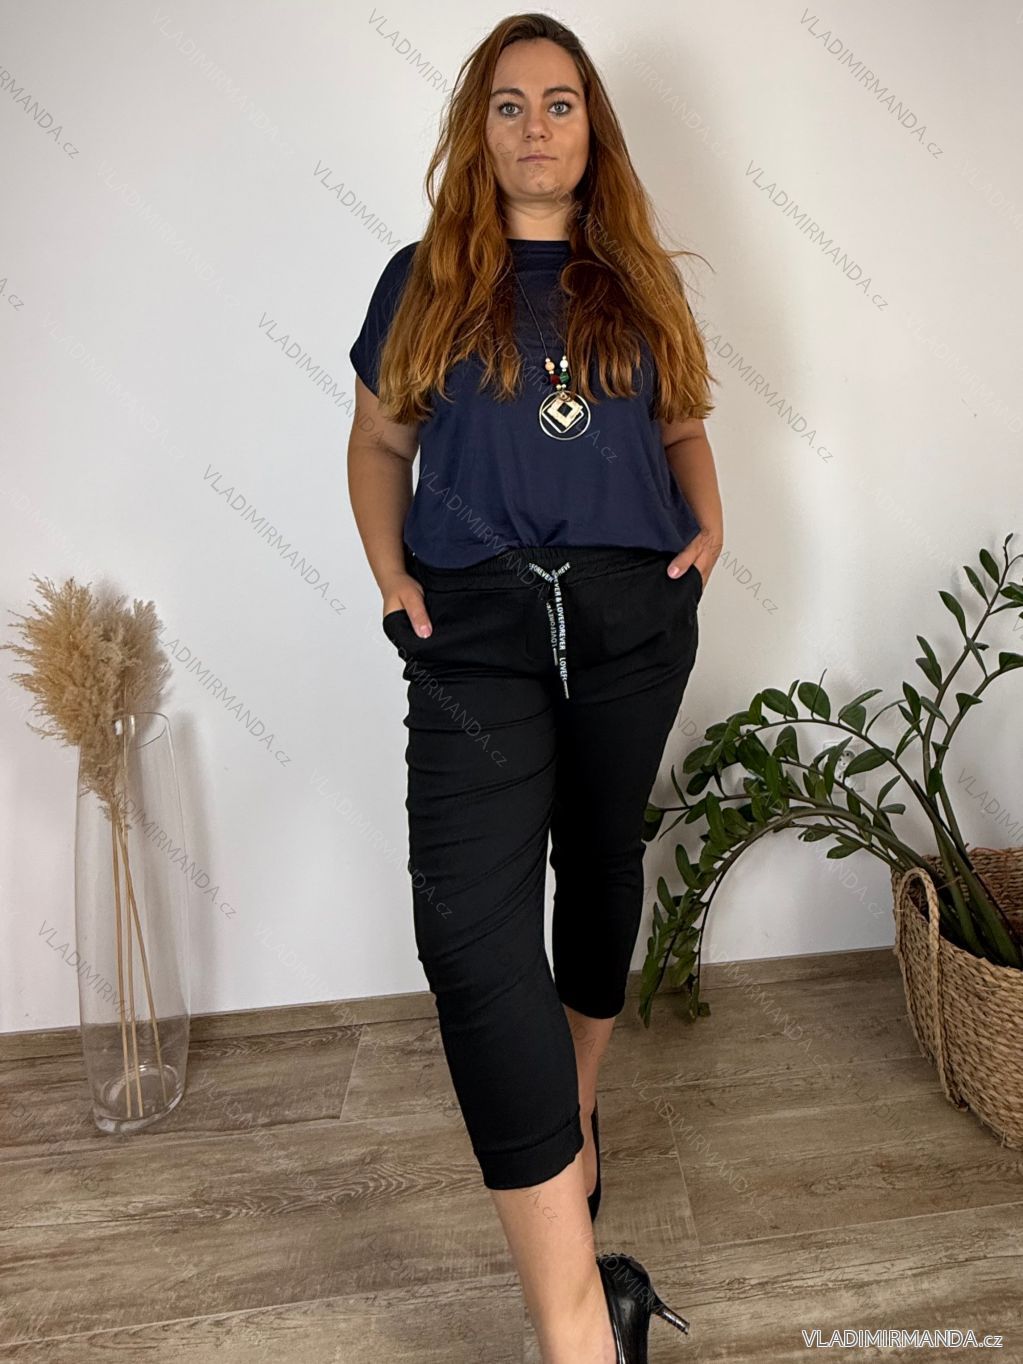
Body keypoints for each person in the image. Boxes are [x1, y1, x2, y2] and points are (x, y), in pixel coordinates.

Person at [347, 14, 723, 1363]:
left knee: (600, 860)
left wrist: (706, 536)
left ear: (591, 128)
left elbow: (682, 423)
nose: (535, 126)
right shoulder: (422, 282)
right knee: (468, 932)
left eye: (560, 102)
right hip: (480, 627)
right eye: (508, 104)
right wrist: (393, 577)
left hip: (628, 615)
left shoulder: (637, 280)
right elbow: (378, 445)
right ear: (479, 130)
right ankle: (583, 1325)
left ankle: (577, 1099)